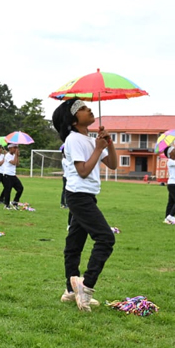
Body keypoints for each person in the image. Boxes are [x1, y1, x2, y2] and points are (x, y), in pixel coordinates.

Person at [53, 99, 117, 311]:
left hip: (87, 196)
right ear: (73, 120)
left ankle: (70, 292)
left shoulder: (90, 140)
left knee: (75, 243)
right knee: (106, 238)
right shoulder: (74, 140)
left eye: (86, 106)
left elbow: (113, 164)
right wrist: (98, 149)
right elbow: (82, 170)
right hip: (78, 195)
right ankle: (85, 286)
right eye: (81, 108)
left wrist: (109, 143)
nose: (88, 109)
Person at [2, 144, 24, 210]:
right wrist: (16, 156)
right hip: (7, 175)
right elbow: (13, 162)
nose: (15, 149)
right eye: (14, 148)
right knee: (8, 190)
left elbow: (17, 164)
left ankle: (15, 201)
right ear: (10, 148)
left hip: (13, 175)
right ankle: (6, 205)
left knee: (20, 188)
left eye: (16, 148)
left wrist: (17, 156)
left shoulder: (14, 155)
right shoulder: (7, 156)